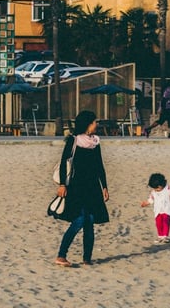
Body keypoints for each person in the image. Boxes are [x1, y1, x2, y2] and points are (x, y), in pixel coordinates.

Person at [54, 110, 110, 267]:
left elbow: (100, 166)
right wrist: (62, 185)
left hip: (92, 187)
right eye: (94, 122)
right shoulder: (74, 141)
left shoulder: (95, 142)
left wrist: (104, 186)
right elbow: (64, 162)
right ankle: (61, 255)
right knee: (79, 220)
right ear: (87, 124)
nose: (96, 125)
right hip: (77, 187)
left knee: (90, 221)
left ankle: (87, 259)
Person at [140, 172, 170, 243]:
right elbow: (151, 200)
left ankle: (165, 236)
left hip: (167, 210)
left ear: (162, 184)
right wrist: (146, 203)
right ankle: (160, 236)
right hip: (157, 211)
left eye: (157, 188)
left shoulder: (169, 190)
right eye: (154, 188)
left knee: (165, 222)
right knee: (158, 223)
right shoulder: (153, 192)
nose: (156, 190)